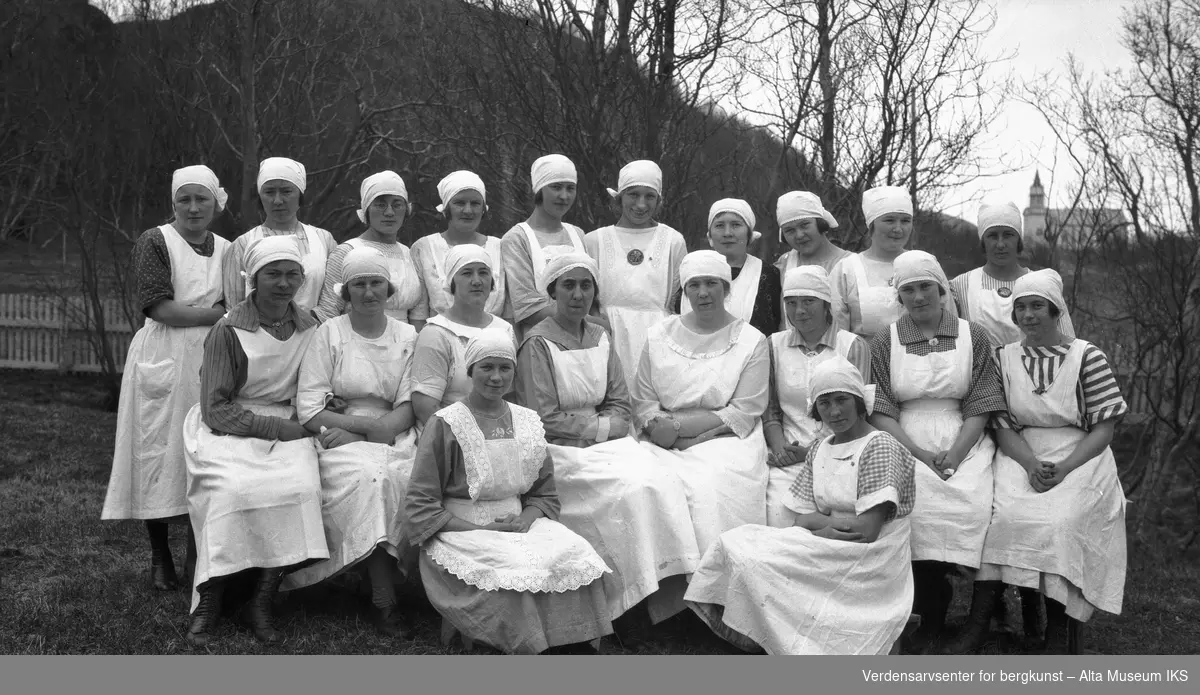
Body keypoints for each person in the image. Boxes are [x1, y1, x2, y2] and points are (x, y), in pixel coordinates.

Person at [684, 357, 916, 654]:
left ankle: (778, 637)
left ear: (859, 401)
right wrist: (819, 526)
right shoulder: (820, 448)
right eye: (824, 403)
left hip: (870, 554)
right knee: (734, 543)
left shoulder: (879, 445)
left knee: (760, 561)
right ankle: (749, 633)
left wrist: (817, 525)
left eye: (842, 400)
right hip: (829, 538)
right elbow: (803, 517)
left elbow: (869, 529)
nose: (834, 411)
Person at [516, 252, 700, 623]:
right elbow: (542, 416)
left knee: (661, 479)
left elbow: (620, 400)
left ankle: (667, 595)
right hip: (560, 449)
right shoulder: (537, 344)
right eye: (568, 285)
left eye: (586, 286)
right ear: (552, 291)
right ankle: (621, 600)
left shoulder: (600, 336)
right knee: (628, 492)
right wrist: (601, 429)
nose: (578, 294)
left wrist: (612, 427)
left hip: (609, 443)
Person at [404, 332, 614, 654]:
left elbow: (544, 494)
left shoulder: (528, 422)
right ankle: (531, 644)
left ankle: (575, 642)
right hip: (462, 527)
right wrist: (482, 529)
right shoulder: (445, 423)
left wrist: (525, 520)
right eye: (487, 367)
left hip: (518, 522)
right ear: (470, 371)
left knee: (573, 551)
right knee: (512, 564)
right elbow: (421, 505)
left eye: (505, 368)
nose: (496, 377)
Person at [952, 270, 1127, 655]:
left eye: (1037, 307)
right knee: (1001, 518)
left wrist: (1064, 468)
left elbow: (1104, 429)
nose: (1029, 316)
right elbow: (1001, 425)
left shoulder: (1086, 355)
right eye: (1021, 309)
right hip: (1021, 450)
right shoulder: (1004, 358)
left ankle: (1058, 632)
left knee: (1060, 522)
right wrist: (1030, 464)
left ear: (1055, 310)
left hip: (1081, 454)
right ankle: (978, 626)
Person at [182, 236, 329, 647]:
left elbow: (319, 388)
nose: (283, 283)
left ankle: (261, 600)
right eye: (273, 274)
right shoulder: (227, 329)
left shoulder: (312, 327)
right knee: (231, 490)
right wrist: (274, 429)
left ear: (302, 278)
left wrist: (301, 423)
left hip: (291, 423)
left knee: (299, 488)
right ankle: (209, 598)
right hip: (230, 427)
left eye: (291, 274)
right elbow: (214, 408)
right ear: (254, 279)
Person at [867, 250, 1007, 653]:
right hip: (903, 438)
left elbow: (981, 400)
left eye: (925, 286)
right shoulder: (886, 340)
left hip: (963, 434)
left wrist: (957, 453)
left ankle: (959, 608)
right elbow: (881, 408)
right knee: (915, 508)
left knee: (972, 503)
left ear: (942, 289)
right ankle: (926, 611)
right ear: (900, 296)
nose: (918, 296)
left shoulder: (972, 334)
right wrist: (918, 454)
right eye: (908, 290)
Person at [102, 165, 231, 592]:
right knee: (157, 451)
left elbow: (240, 301)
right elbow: (161, 307)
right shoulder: (156, 241)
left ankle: (200, 553)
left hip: (213, 356)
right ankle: (160, 555)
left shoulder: (229, 250)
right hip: (164, 354)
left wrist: (222, 320)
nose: (193, 208)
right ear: (172, 203)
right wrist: (216, 315)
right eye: (184, 199)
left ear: (216, 203)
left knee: (205, 452)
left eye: (202, 199)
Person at [286, 247, 420, 638]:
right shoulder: (329, 333)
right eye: (358, 284)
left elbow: (409, 403)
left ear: (389, 288)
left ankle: (386, 578)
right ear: (345, 293)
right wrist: (354, 425)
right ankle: (383, 598)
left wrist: (365, 429)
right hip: (335, 435)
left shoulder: (409, 336)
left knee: (399, 475)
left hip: (393, 433)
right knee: (369, 478)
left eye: (376, 283)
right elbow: (309, 406)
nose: (368, 292)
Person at [632, 250, 771, 558]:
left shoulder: (752, 341)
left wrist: (681, 430)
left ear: (726, 288)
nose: (703, 293)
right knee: (641, 483)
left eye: (712, 283)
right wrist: (659, 428)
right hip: (660, 437)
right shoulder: (659, 335)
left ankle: (713, 579)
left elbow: (744, 410)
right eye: (694, 285)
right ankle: (663, 585)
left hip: (724, 438)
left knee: (710, 486)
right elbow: (643, 400)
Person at [764, 265, 872, 528]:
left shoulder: (852, 346)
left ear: (826, 304)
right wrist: (779, 448)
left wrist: (810, 453)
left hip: (842, 451)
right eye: (791, 303)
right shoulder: (773, 345)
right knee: (779, 514)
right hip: (786, 453)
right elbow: (771, 410)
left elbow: (859, 412)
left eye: (809, 301)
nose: (799, 311)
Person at [584, 160, 688, 392]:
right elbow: (587, 299)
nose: (641, 204)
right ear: (619, 197)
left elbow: (678, 301)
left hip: (658, 341)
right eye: (633, 194)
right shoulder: (594, 241)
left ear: (658, 200)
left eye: (649, 196)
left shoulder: (673, 241)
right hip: (607, 337)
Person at [830, 186, 958, 339]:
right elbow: (836, 333)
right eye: (889, 220)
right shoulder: (846, 270)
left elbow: (950, 321)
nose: (898, 229)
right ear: (871, 225)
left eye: (905, 221)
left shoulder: (926, 262)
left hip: (925, 360)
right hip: (865, 361)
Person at [411, 245, 516, 425]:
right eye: (467, 273)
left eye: (483, 273)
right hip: (447, 436)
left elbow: (512, 395)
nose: (477, 281)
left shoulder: (505, 330)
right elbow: (425, 407)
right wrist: (471, 437)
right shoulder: (436, 333)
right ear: (452, 281)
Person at [950, 200, 1076, 347]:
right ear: (983, 241)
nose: (1001, 244)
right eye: (992, 236)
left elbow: (1068, 344)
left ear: (1018, 240)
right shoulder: (960, 285)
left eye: (1008, 235)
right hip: (981, 370)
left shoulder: (1043, 284)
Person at [221, 157, 336, 315]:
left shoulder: (324, 240)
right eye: (269, 192)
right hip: (258, 336)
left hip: (316, 334)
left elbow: (333, 301)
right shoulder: (243, 244)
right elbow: (234, 307)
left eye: (286, 191)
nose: (277, 200)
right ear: (260, 196)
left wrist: (305, 325)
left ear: (300, 193)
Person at [314, 170, 427, 329]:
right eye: (380, 204)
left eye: (397, 204)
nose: (389, 212)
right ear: (367, 210)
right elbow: (328, 312)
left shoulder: (409, 253)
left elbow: (418, 314)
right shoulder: (346, 252)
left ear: (406, 210)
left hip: (406, 345)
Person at [501, 154, 589, 339]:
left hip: (582, 340)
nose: (564, 196)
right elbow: (527, 308)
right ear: (540, 189)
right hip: (540, 342)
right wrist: (592, 322)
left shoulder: (578, 235)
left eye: (570, 188)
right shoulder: (517, 238)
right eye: (556, 187)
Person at [672, 198, 782, 338]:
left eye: (736, 225)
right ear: (710, 235)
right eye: (719, 225)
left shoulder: (768, 275)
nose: (727, 233)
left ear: (749, 233)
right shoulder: (691, 270)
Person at [411, 170, 508, 320]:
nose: (468, 210)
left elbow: (509, 314)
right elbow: (419, 314)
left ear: (483, 208)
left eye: (475, 203)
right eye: (459, 203)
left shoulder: (500, 247)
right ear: (446, 207)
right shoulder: (424, 248)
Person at [773, 191, 851, 329]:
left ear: (820, 224)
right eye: (790, 230)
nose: (799, 235)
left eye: (805, 225)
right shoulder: (783, 266)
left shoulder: (850, 264)